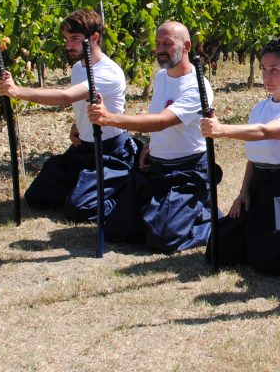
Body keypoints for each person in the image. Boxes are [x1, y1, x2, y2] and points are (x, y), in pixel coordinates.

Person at [0, 8, 139, 236]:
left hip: (110, 152)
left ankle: (124, 187)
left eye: (74, 38)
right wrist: (78, 126)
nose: (68, 45)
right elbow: (82, 104)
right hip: (83, 149)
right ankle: (85, 187)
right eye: (66, 39)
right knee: (36, 197)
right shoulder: (78, 68)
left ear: (94, 38)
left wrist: (18, 92)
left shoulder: (108, 72)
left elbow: (66, 97)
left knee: (79, 209)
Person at [87, 20, 218, 253]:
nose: (160, 49)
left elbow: (161, 121)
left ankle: (207, 214)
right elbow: (156, 116)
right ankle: (170, 213)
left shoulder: (198, 86)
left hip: (186, 171)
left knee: (162, 240)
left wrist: (110, 118)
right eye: (157, 43)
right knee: (116, 230)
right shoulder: (161, 77)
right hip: (157, 168)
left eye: (168, 43)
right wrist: (149, 147)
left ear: (186, 46)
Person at [200, 35, 280, 274]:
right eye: (263, 69)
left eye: (274, 70)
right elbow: (254, 156)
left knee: (273, 258)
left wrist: (223, 130)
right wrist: (243, 192)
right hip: (260, 187)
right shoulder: (259, 108)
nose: (266, 76)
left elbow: (265, 132)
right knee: (218, 246)